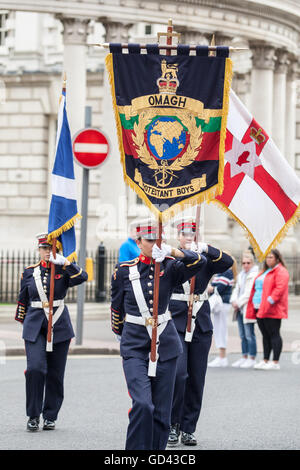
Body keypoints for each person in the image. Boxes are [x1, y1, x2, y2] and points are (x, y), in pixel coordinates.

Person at [110, 219, 209, 450]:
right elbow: (116, 307)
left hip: (166, 344)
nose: (155, 244)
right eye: (150, 240)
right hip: (135, 345)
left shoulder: (171, 266)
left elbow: (199, 262)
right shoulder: (124, 272)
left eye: (158, 240)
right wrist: (120, 333)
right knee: (143, 404)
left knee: (162, 412)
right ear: (138, 242)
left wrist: (173, 251)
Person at [167, 217, 233, 447]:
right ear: (178, 236)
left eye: (192, 234)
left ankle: (188, 428)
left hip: (200, 322)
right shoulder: (170, 258)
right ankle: (172, 424)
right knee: (179, 374)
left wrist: (206, 248)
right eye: (184, 233)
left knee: (197, 378)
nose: (188, 237)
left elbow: (228, 261)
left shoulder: (206, 258)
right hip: (175, 320)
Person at [15, 233, 88, 432]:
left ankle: (50, 415)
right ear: (39, 250)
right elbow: (23, 299)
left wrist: (66, 263)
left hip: (60, 326)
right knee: (35, 369)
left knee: (56, 374)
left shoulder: (63, 271)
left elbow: (83, 277)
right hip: (35, 327)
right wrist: (25, 323)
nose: (48, 252)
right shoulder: (30, 272)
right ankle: (33, 414)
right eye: (45, 248)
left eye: (52, 248)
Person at [246, 249, 289, 370]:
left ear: (277, 258)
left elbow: (279, 290)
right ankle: (265, 359)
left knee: (274, 333)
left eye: (271, 257)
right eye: (267, 257)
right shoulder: (265, 271)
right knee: (265, 335)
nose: (268, 259)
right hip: (258, 306)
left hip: (272, 308)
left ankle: (275, 362)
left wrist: (269, 301)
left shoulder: (281, 271)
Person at [230, 251, 259, 368]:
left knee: (249, 334)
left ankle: (252, 357)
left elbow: (248, 293)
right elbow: (236, 289)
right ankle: (244, 356)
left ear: (252, 263)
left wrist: (238, 302)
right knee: (242, 335)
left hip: (247, 307)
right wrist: (233, 300)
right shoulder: (241, 274)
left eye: (248, 263)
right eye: (244, 263)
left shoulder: (254, 274)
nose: (246, 265)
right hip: (240, 309)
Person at [207, 261, 237, 367]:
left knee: (221, 329)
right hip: (219, 304)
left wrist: (211, 288)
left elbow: (219, 288)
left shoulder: (227, 272)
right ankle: (221, 355)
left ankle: (223, 356)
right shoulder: (220, 272)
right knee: (218, 329)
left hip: (223, 303)